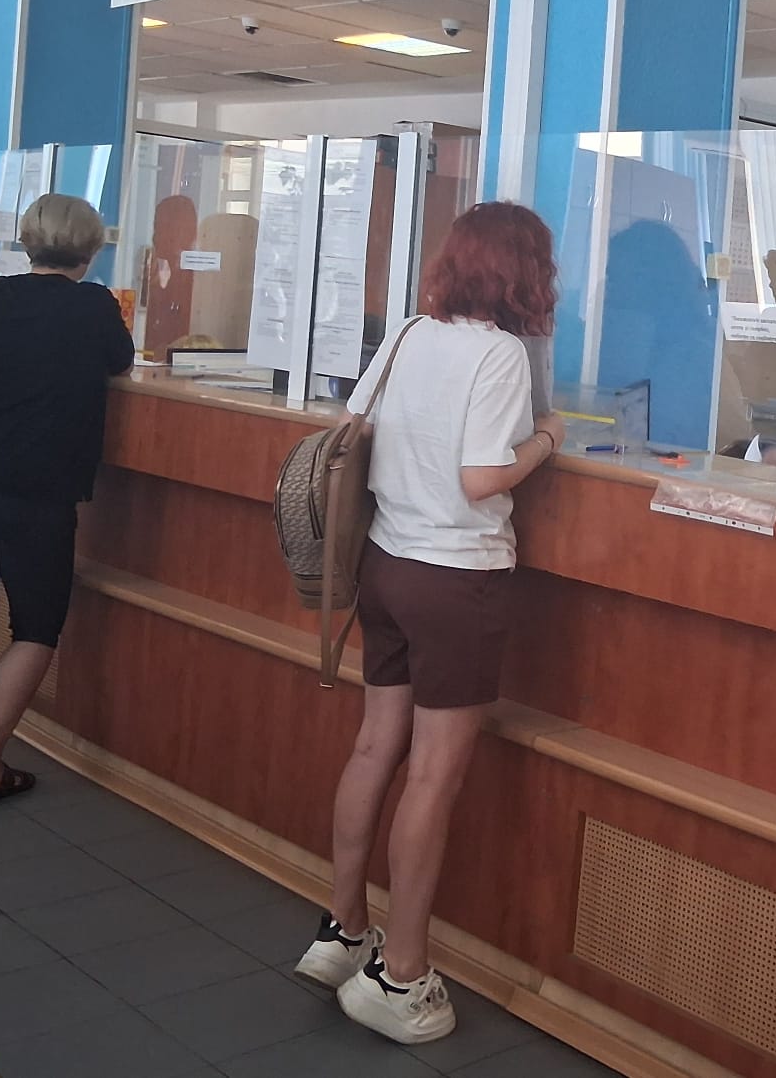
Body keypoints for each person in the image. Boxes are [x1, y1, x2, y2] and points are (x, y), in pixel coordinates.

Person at [293, 202, 565, 1045]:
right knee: (433, 778)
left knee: (375, 747)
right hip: (457, 579)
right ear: (528, 273)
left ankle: (343, 932)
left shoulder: (411, 331)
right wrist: (547, 439)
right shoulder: (500, 353)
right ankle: (402, 975)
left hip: (385, 564)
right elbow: (483, 477)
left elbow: (356, 426)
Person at [0, 194, 132, 802]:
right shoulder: (94, 305)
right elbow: (119, 363)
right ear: (92, 248)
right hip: (31, 490)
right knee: (36, 627)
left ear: (27, 240)